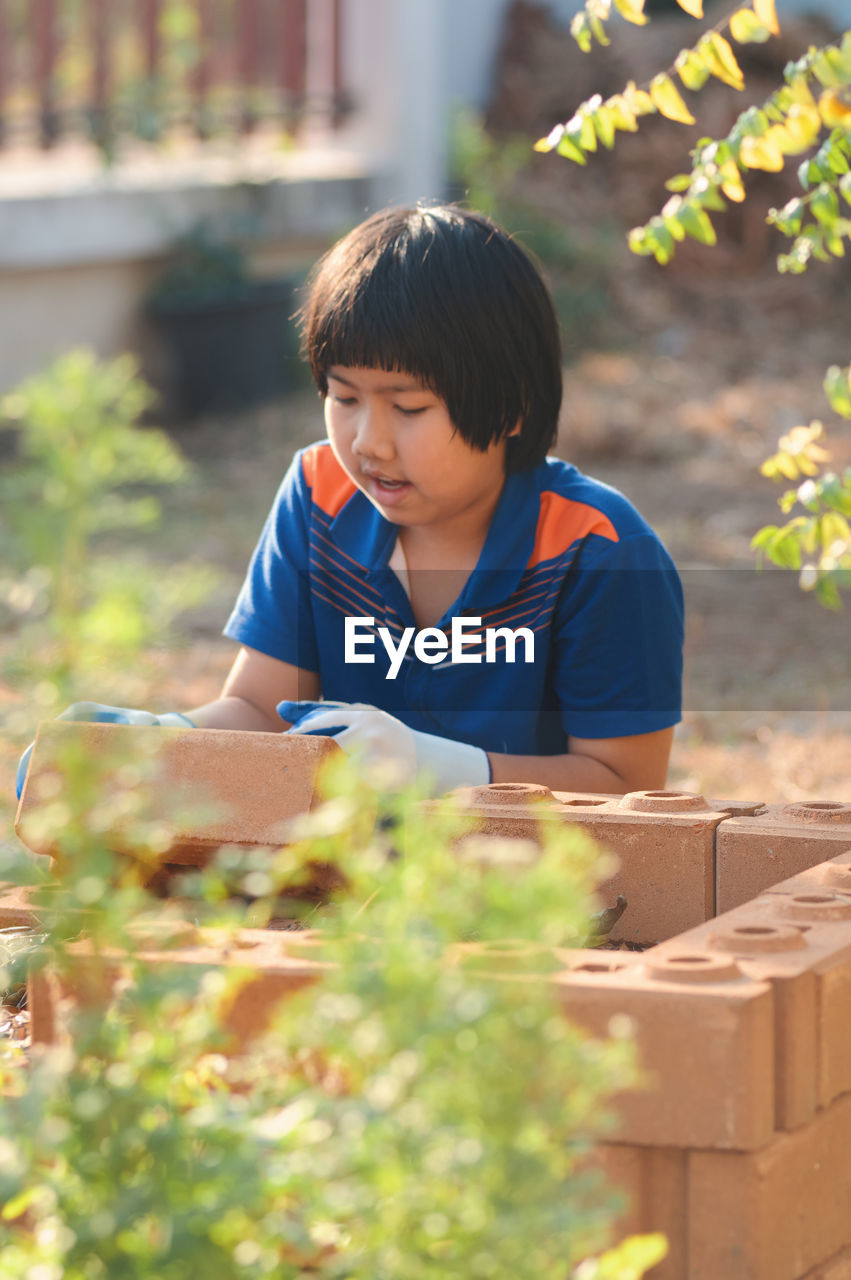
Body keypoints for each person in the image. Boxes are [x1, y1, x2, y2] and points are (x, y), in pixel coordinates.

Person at [17, 205, 683, 800]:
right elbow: (257, 710)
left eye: (409, 407)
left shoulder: (596, 548)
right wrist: (153, 745)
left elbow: (626, 782)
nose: (369, 443)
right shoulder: (319, 494)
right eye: (343, 398)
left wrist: (447, 769)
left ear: (511, 405)